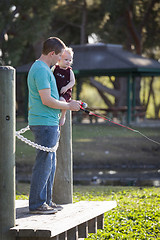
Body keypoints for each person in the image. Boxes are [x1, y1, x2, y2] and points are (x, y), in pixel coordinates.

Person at [27, 37, 81, 214]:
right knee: (44, 164)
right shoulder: (42, 70)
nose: (60, 60)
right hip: (43, 123)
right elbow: (47, 100)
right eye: (59, 56)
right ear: (52, 53)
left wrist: (68, 103)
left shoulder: (45, 69)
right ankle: (37, 204)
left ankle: (46, 202)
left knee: (50, 163)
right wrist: (68, 106)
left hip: (49, 122)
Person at [52, 47, 75, 126]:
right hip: (56, 90)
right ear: (59, 59)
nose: (68, 62)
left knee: (62, 101)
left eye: (70, 60)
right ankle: (55, 115)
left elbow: (73, 81)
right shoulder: (55, 68)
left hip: (64, 92)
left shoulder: (69, 71)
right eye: (66, 60)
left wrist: (66, 87)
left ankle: (63, 116)